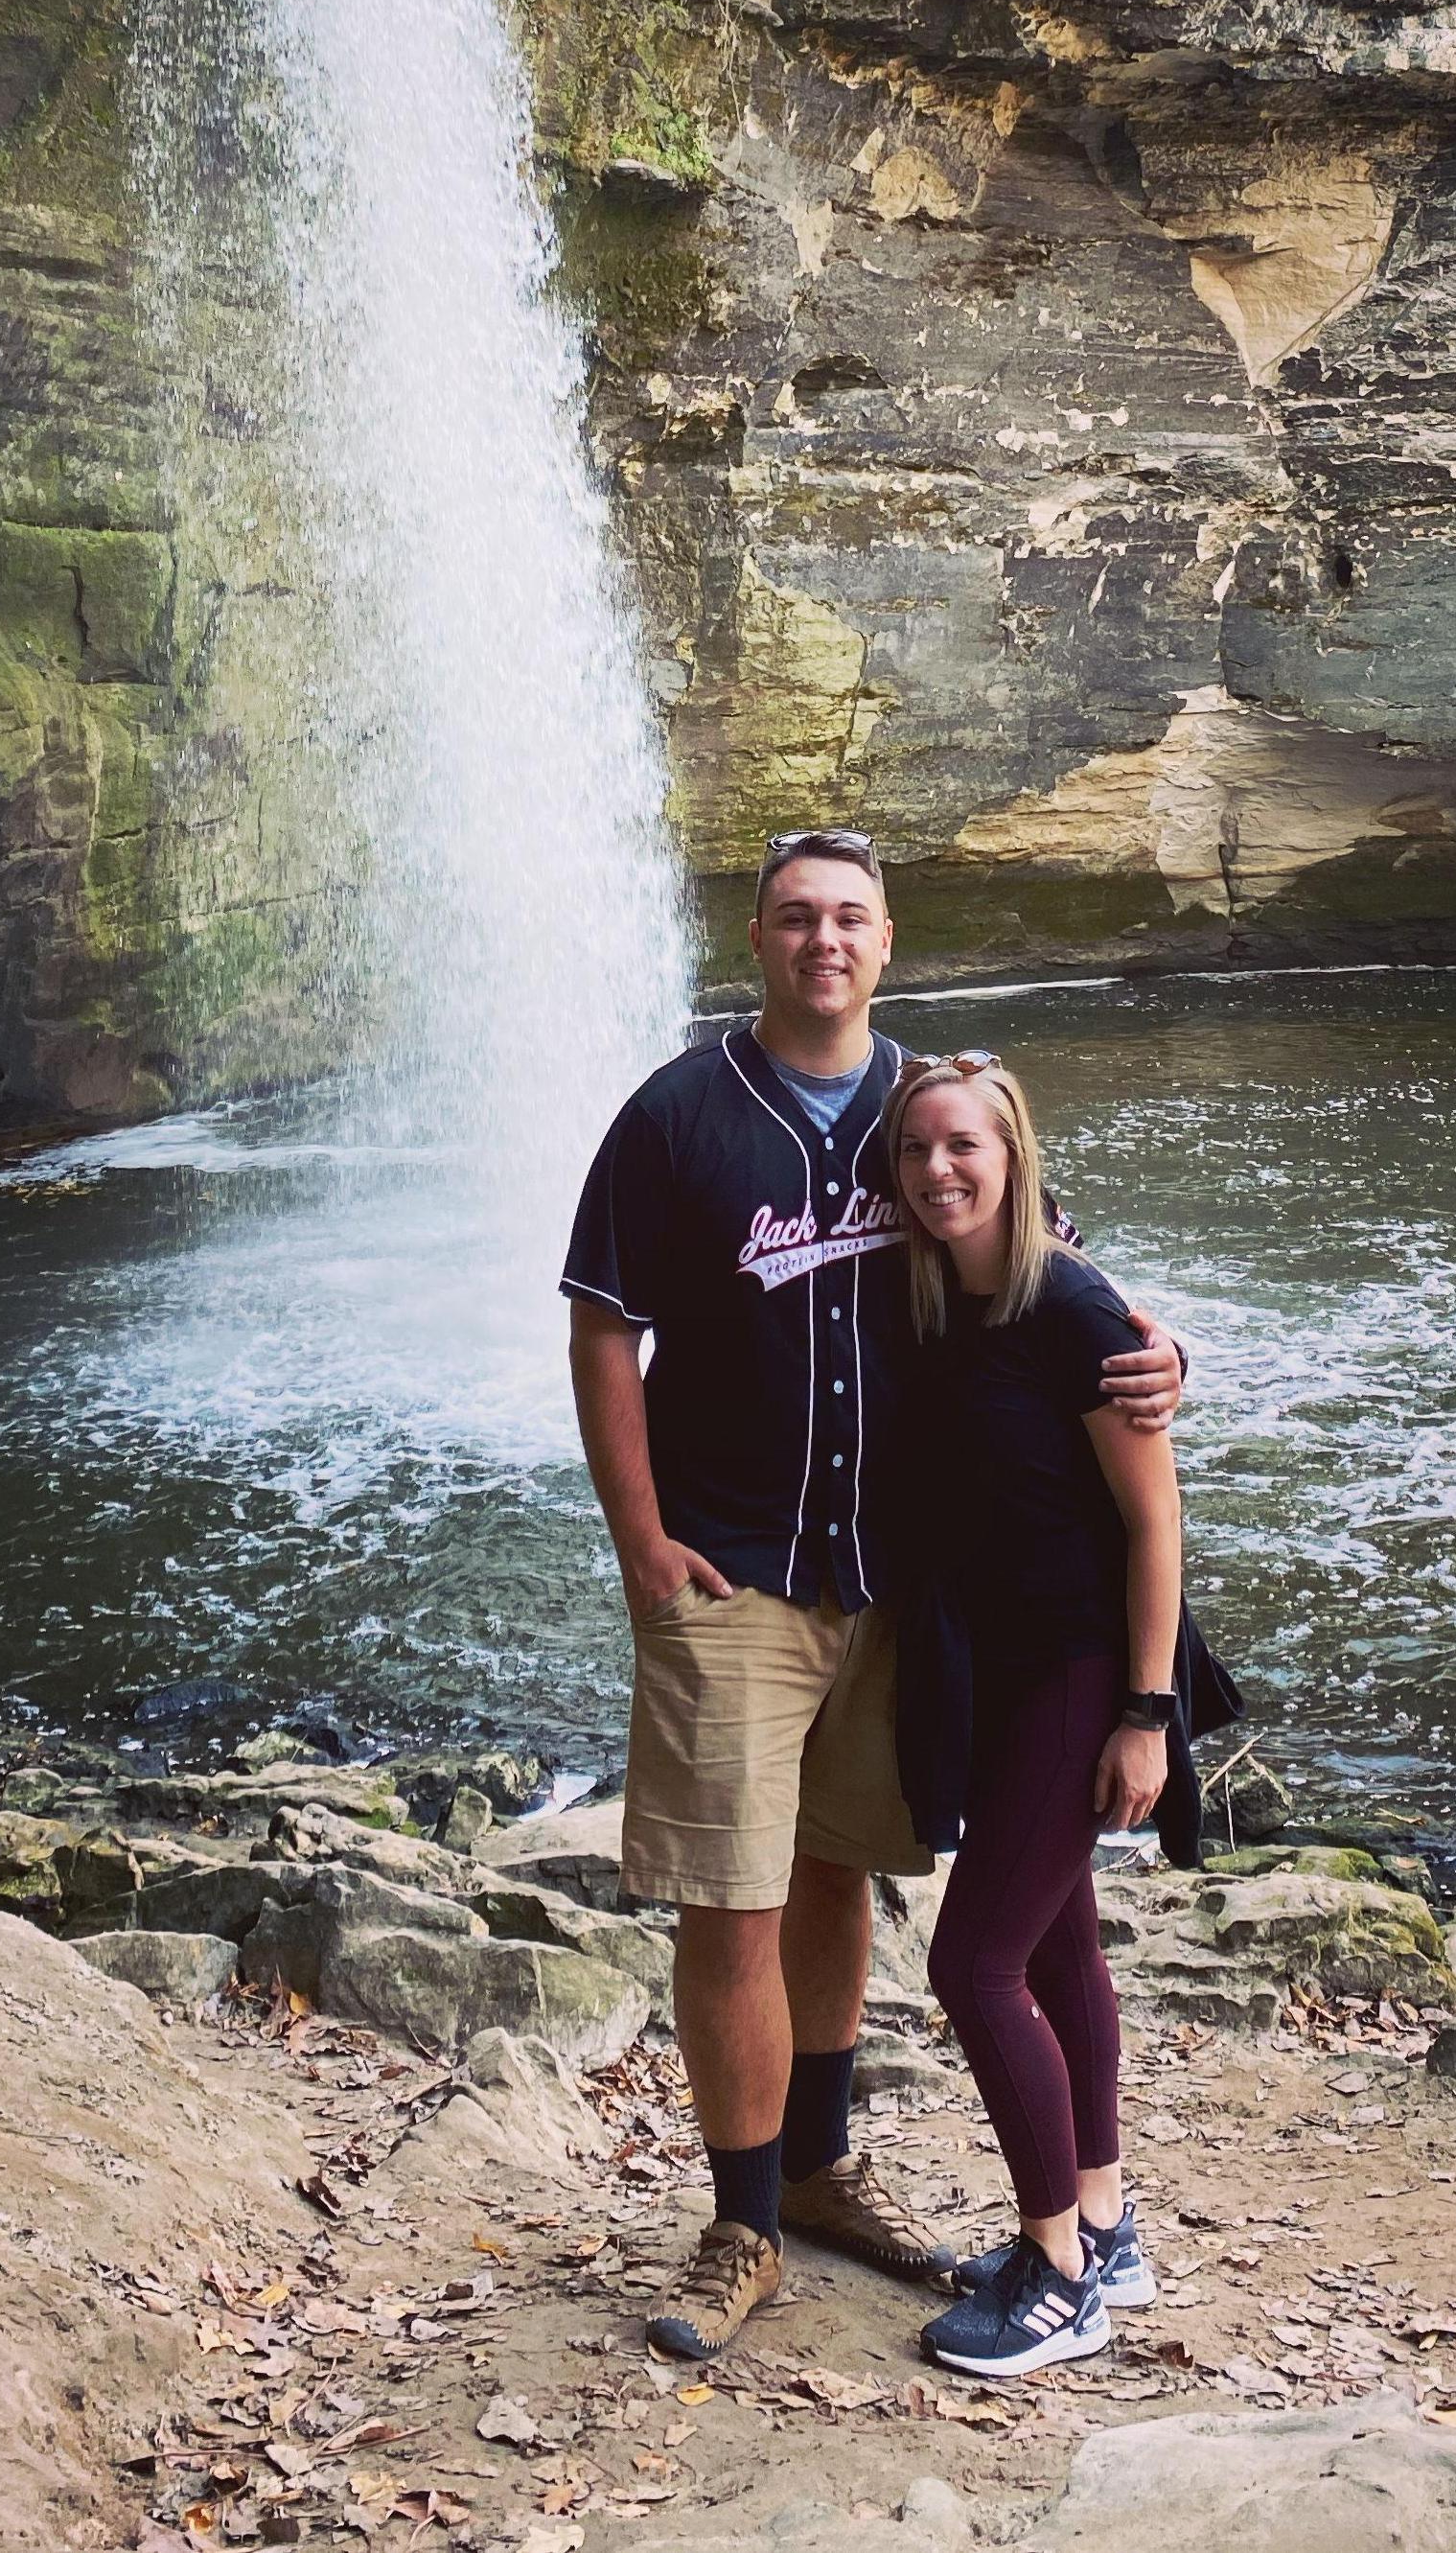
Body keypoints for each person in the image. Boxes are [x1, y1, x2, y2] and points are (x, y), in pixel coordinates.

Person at [561, 829, 1184, 2364]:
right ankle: (740, 2223)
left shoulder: (928, 1109)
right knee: (735, 1901)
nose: (820, 940)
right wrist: (640, 1542)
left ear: (887, 939)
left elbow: (1053, 1274)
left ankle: (825, 2171)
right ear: (756, 937)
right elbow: (602, 1328)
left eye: (847, 917)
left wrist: (1163, 1352)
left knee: (840, 1871)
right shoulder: (676, 1116)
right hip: (733, 1570)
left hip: (902, 1589)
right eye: (793, 917)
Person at [884, 1051, 1182, 2379]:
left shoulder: (1071, 1306)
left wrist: (1145, 1712)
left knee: (972, 1965)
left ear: (1014, 1157)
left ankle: (1057, 2274)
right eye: (916, 1151)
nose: (940, 1169)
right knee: (1057, 1953)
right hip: (995, 1671)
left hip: (1075, 1671)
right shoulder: (930, 1299)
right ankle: (1103, 2223)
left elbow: (1154, 1519)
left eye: (966, 1147)